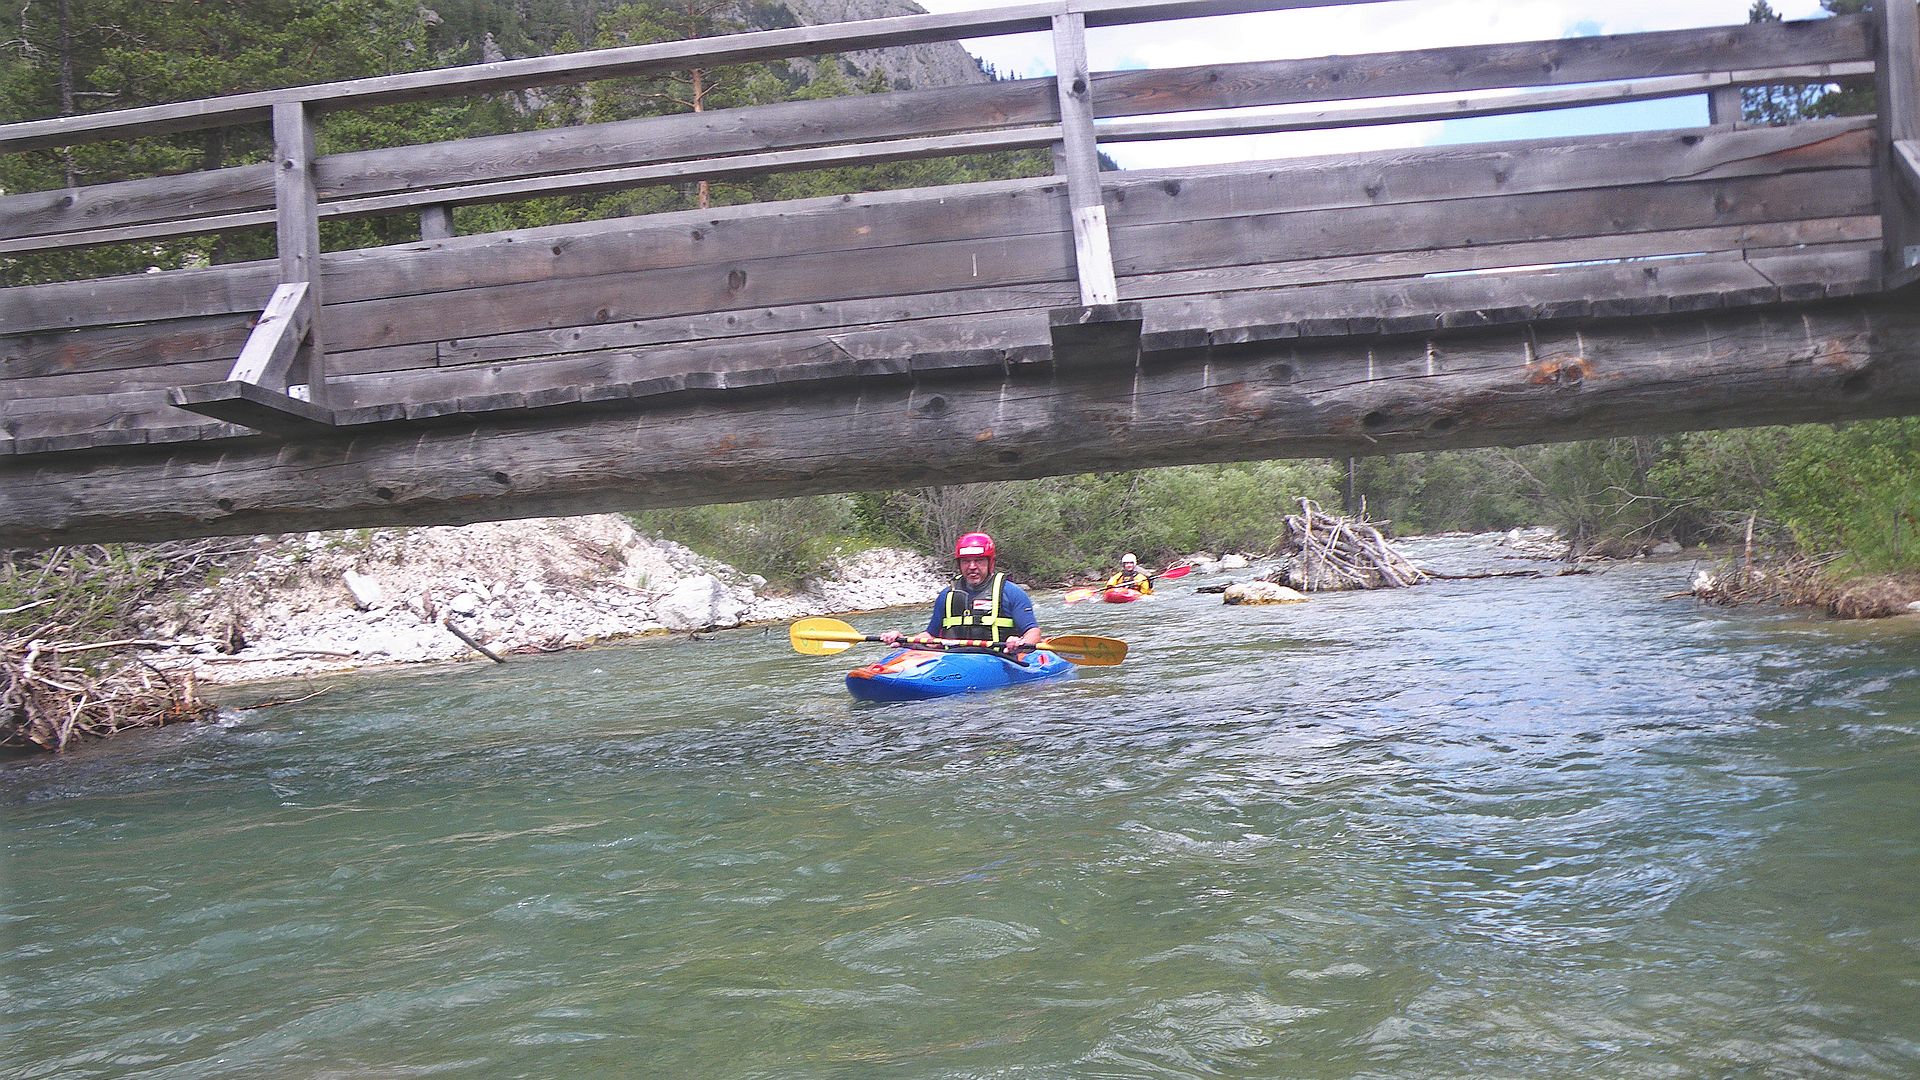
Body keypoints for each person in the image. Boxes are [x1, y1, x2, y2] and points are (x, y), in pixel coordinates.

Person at [880, 532, 1044, 657]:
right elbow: (931, 635)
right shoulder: (947, 595)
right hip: (953, 657)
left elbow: (1033, 632)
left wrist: (1020, 643)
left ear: (990, 563)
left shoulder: (1011, 592)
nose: (972, 566)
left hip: (999, 657)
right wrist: (904, 640)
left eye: (978, 560)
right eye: (966, 561)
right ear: (959, 564)